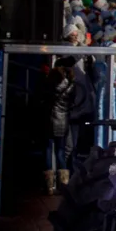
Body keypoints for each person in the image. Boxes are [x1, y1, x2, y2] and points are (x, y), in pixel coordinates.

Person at [41, 58, 76, 195]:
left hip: (49, 120)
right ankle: (64, 183)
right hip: (63, 121)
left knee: (48, 150)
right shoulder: (71, 86)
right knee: (61, 151)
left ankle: (49, 185)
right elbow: (72, 103)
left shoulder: (49, 83)